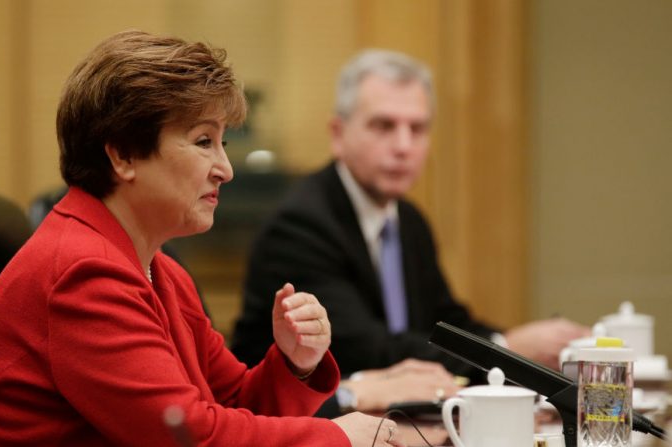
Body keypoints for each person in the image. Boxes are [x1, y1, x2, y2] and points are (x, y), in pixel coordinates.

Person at [0, 31, 405, 446]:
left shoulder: (159, 269)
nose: (226, 168)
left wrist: (295, 363)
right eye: (204, 141)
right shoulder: (84, 273)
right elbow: (188, 437)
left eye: (223, 142)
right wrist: (337, 438)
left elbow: (234, 403)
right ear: (123, 154)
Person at [232, 49, 589, 399]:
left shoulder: (407, 219)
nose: (403, 146)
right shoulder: (302, 225)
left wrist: (528, 350)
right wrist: (505, 348)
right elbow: (367, 350)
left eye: (417, 128)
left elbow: (447, 325)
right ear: (338, 134)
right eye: (384, 126)